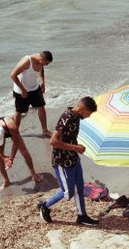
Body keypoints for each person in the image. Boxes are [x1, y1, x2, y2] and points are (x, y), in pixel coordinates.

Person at [37, 96, 99, 226]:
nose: (88, 117)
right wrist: (75, 147)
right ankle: (45, 206)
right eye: (88, 113)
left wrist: (75, 148)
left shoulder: (76, 116)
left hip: (73, 159)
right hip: (62, 162)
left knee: (80, 188)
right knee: (68, 192)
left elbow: (65, 137)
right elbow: (53, 141)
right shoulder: (67, 117)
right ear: (82, 109)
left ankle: (82, 216)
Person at [0, 115, 40, 191]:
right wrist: (3, 157)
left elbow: (16, 143)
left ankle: (33, 173)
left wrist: (11, 159)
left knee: (23, 150)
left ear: (4, 133)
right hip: (1, 131)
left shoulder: (12, 127)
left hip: (9, 129)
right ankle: (6, 181)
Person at [10, 51, 53, 137]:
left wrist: (42, 82)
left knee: (41, 107)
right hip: (21, 90)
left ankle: (45, 130)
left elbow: (42, 71)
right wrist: (23, 90)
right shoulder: (27, 62)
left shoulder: (40, 61)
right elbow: (13, 75)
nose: (47, 65)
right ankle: (15, 132)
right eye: (46, 63)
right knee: (19, 111)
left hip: (34, 88)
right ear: (41, 59)